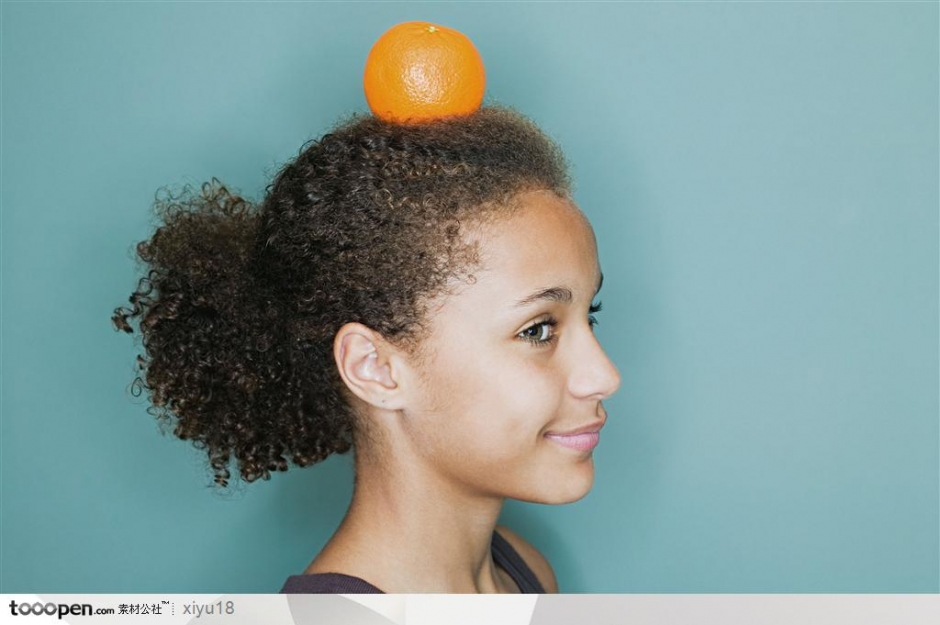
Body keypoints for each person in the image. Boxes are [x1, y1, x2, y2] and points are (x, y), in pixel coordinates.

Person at [112, 105, 621, 593]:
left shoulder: (526, 574)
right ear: (375, 367)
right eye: (538, 330)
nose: (604, 375)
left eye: (589, 316)